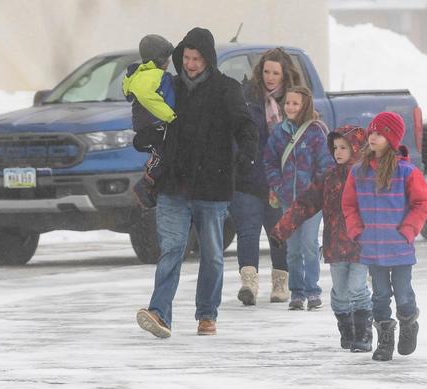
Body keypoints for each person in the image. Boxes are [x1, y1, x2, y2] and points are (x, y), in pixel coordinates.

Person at [135, 27, 257, 338]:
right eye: (186, 58)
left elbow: (245, 126)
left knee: (213, 255)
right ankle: (159, 314)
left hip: (212, 185)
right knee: (172, 249)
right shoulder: (170, 88)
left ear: (208, 59)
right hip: (174, 184)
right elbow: (154, 122)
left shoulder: (226, 89)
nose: (190, 64)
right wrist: (145, 136)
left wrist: (246, 155)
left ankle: (207, 314)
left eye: (196, 58)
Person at [342, 112, 427, 361]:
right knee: (380, 294)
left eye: (379, 133)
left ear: (391, 138)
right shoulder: (358, 172)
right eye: (371, 132)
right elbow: (349, 205)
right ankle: (385, 338)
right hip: (372, 247)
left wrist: (408, 230)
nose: (372, 136)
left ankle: (408, 322)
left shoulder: (407, 172)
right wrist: (356, 230)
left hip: (400, 247)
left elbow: (423, 203)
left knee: (403, 292)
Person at [271, 125, 372, 351]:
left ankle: (364, 333)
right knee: (340, 293)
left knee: (357, 288)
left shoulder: (367, 177)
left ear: (356, 148)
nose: (338, 152)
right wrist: (282, 228)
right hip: (335, 246)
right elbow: (305, 204)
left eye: (344, 147)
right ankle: (347, 331)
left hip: (361, 246)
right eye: (335, 147)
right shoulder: (328, 178)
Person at [232, 48, 302, 306]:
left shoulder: (294, 102)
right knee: (247, 230)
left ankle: (280, 282)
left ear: (285, 75)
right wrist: (239, 159)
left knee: (278, 232)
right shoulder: (247, 97)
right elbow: (236, 131)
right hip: (248, 175)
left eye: (276, 73)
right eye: (266, 72)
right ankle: (249, 284)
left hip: (278, 180)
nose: (270, 77)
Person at [264, 85, 333, 310]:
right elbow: (270, 161)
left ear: (305, 106)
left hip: (311, 201)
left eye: (295, 103)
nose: (290, 107)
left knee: (309, 244)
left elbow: (325, 164)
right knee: (292, 248)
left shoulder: (316, 132)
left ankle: (313, 291)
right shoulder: (279, 132)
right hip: (288, 200)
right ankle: (297, 292)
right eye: (288, 103)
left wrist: (317, 190)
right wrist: (278, 184)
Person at [123, 34, 176, 209]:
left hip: (142, 126)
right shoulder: (161, 77)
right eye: (167, 58)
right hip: (157, 125)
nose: (169, 62)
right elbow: (167, 101)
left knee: (157, 155)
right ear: (162, 59)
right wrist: (171, 116)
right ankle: (145, 185)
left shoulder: (139, 74)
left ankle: (149, 186)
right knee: (164, 155)